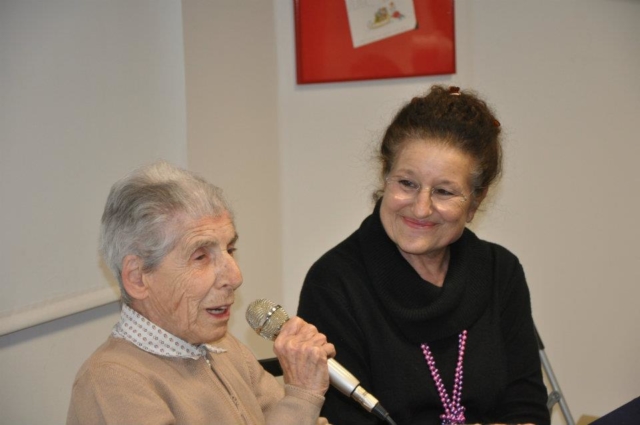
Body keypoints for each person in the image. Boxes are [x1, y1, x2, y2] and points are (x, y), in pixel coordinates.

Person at [297, 85, 550, 425]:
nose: (421, 208)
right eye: (407, 183)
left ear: (475, 201)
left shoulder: (499, 272)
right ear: (386, 175)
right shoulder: (335, 283)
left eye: (444, 191)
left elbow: (528, 410)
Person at [67, 161, 335, 425]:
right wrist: (302, 397)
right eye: (200, 257)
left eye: (230, 250)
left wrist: (304, 396)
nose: (235, 277)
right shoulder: (112, 383)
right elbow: (297, 409)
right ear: (137, 277)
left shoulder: (224, 348)